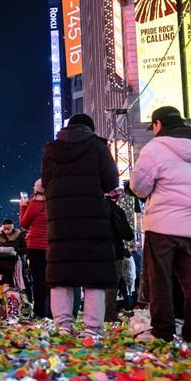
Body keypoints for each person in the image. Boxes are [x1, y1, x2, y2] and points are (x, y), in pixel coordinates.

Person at [129, 106, 191, 344]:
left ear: (158, 124)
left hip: (163, 223)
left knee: (160, 280)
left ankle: (163, 331)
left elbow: (140, 186)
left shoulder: (155, 148)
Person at [41, 113, 120, 337]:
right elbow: (111, 181)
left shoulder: (51, 150)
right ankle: (92, 328)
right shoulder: (97, 147)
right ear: (90, 129)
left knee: (61, 272)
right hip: (92, 217)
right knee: (94, 273)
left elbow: (46, 182)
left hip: (60, 219)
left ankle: (63, 326)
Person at [20, 179, 50, 318]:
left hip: (35, 247)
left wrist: (23, 206)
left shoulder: (34, 204)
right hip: (50, 246)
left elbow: (24, 223)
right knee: (50, 280)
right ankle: (51, 311)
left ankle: (39, 312)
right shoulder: (52, 203)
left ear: (37, 188)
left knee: (38, 281)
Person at [105, 194, 136, 322]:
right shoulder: (118, 211)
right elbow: (128, 235)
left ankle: (93, 314)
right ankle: (109, 314)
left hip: (95, 252)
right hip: (115, 252)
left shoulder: (93, 210)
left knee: (96, 284)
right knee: (112, 284)